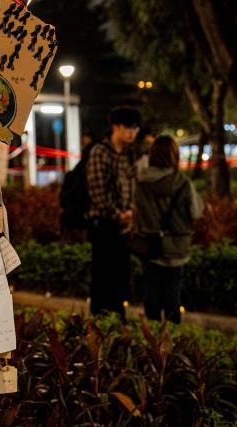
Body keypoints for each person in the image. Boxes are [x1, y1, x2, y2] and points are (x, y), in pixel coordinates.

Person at [134, 136, 203, 324]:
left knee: (151, 294)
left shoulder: (140, 183)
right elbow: (196, 212)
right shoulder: (183, 183)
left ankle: (153, 341)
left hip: (150, 246)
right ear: (175, 155)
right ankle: (172, 343)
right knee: (173, 294)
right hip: (177, 246)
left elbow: (135, 213)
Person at [86, 107, 141, 319]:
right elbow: (98, 191)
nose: (132, 133)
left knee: (120, 275)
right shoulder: (100, 152)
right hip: (104, 224)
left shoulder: (128, 154)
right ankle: (100, 320)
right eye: (128, 128)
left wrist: (131, 212)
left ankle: (118, 318)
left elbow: (132, 187)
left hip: (123, 225)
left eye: (135, 128)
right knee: (102, 276)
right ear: (115, 127)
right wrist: (119, 214)